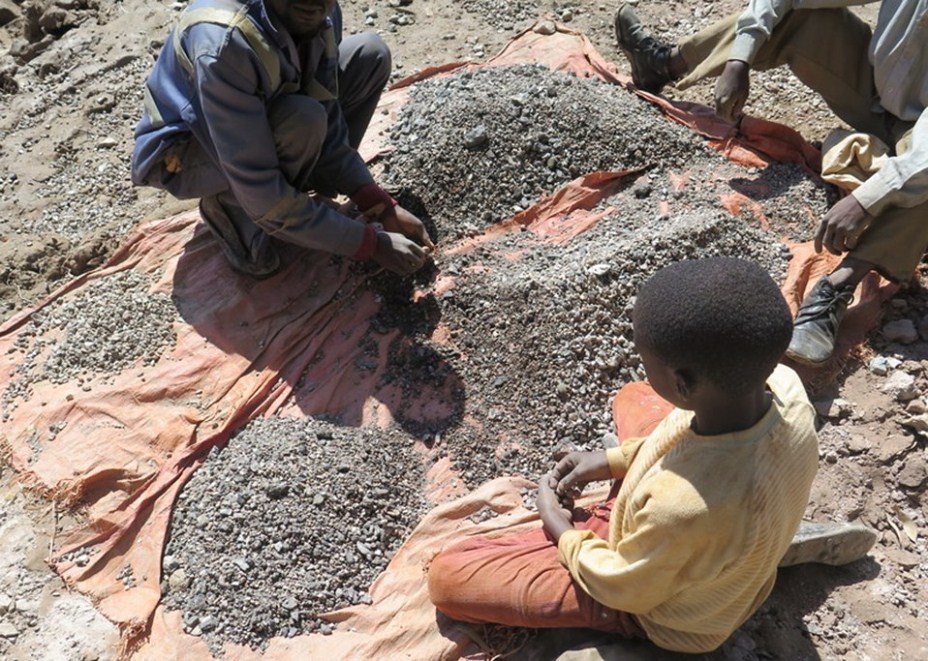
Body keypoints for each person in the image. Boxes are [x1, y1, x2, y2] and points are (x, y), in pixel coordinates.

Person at [427, 257, 875, 654]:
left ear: (682, 383)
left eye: (645, 358)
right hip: (719, 521)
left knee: (449, 577)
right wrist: (613, 460)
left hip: (662, 608)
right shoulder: (787, 390)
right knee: (635, 397)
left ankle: (665, 575)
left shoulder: (680, 509)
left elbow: (623, 587)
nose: (642, 365)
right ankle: (754, 546)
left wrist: (561, 527)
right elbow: (681, 434)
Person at [613, 1, 928, 366]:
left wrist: (866, 200)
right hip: (878, 92)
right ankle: (662, 64)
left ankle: (835, 290)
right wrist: (739, 59)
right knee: (803, 17)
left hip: (920, 137)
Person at [131, 0, 433, 279]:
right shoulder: (225, 43)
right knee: (302, 120)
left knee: (369, 54)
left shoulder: (319, 11)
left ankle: (298, 194)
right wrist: (368, 244)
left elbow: (329, 113)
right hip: (183, 152)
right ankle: (233, 212)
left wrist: (377, 203)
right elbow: (262, 189)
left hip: (258, 111)